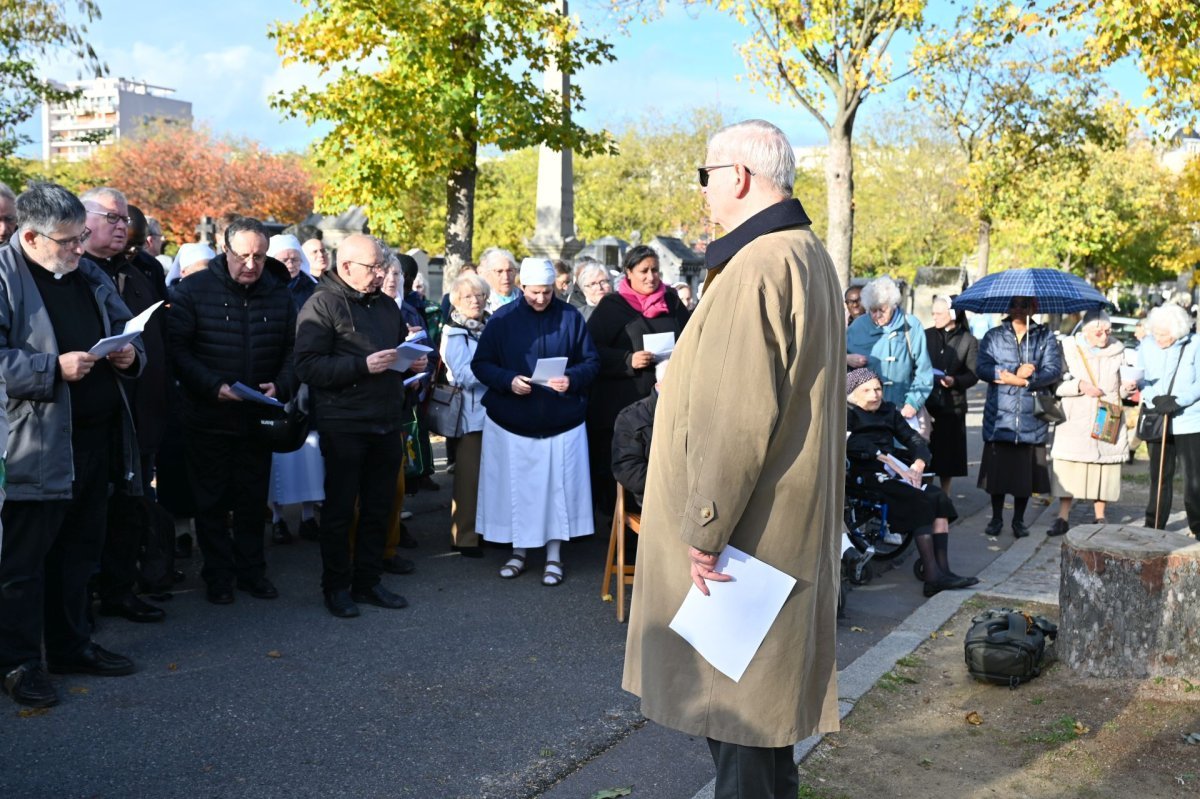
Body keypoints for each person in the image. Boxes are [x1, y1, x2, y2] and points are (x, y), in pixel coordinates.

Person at [624, 119, 843, 799]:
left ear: (740, 177)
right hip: (776, 524)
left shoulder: (757, 265)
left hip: (745, 537)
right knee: (763, 724)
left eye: (706, 176)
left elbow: (734, 417)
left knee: (739, 716)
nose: (703, 192)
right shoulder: (806, 253)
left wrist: (705, 529)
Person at [0, 182, 144, 709]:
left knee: (79, 552)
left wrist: (131, 354)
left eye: (82, 237)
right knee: (23, 564)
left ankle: (70, 645)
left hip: (95, 436)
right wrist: (50, 368)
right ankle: (19, 663)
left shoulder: (85, 272)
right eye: (69, 241)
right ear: (31, 237)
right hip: (33, 445)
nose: (81, 249)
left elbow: (126, 327)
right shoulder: (5, 276)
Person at [167, 216, 297, 605]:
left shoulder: (278, 293)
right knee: (210, 503)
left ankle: (252, 572)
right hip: (207, 417)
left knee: (252, 502)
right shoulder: (193, 290)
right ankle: (218, 576)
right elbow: (177, 350)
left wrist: (282, 384)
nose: (251, 265)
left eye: (259, 256)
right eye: (243, 256)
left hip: (257, 418)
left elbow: (294, 350)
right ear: (225, 251)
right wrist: (212, 386)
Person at [295, 234, 417, 618]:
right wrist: (361, 366)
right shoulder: (321, 304)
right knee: (340, 510)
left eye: (382, 266)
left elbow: (398, 349)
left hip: (386, 418)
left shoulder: (385, 305)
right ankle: (336, 587)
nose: (381, 274)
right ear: (346, 267)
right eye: (373, 267)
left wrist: (412, 360)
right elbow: (307, 366)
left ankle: (368, 580)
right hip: (344, 422)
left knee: (379, 507)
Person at [471, 257, 600, 586]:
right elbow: (481, 364)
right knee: (517, 490)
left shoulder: (570, 316)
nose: (541, 298)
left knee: (557, 491)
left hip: (561, 419)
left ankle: (554, 555)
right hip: (513, 419)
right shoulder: (502, 319)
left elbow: (591, 361)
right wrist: (508, 380)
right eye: (534, 293)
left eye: (547, 292)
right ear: (522, 287)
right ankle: (518, 552)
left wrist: (571, 378)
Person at [80, 187, 169, 624]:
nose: (123, 226)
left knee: (131, 504)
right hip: (90, 411)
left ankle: (120, 589)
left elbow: (159, 338)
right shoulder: (71, 272)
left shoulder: (140, 271)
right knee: (87, 511)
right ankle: (81, 600)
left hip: (140, 407)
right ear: (83, 220)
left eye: (124, 219)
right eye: (112, 218)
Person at [845, 368, 977, 596]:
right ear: (853, 395)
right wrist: (882, 456)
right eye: (867, 391)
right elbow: (849, 443)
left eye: (878, 389)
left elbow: (912, 438)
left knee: (938, 497)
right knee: (918, 500)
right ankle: (933, 576)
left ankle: (943, 570)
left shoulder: (888, 411)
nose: (875, 394)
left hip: (896, 469)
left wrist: (919, 461)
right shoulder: (848, 413)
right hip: (866, 473)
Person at [586, 244, 690, 524]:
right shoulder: (612, 307)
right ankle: (621, 531)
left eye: (655, 270)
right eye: (644, 271)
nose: (651, 277)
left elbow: (692, 337)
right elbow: (590, 349)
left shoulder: (672, 302)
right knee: (628, 473)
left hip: (665, 400)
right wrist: (627, 360)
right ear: (628, 272)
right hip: (623, 404)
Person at [975, 296, 1063, 538]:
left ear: (1033, 308)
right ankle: (996, 518)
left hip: (1031, 414)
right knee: (997, 474)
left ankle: (1019, 520)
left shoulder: (1045, 337)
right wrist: (1012, 373)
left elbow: (1053, 370)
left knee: (1024, 476)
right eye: (1013, 304)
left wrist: (1028, 379)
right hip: (1000, 414)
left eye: (1023, 305)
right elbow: (982, 367)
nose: (1017, 309)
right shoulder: (993, 336)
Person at [1047, 310, 1136, 536]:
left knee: (1104, 467)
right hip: (1075, 417)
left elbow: (1119, 387)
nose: (1104, 336)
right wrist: (1079, 386)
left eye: (1107, 331)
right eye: (1098, 332)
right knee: (1070, 468)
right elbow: (1055, 385)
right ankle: (1062, 517)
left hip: (1108, 413)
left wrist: (1127, 388)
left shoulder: (1118, 351)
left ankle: (1100, 516)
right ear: (1086, 331)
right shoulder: (1068, 349)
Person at [265, 234, 322, 544]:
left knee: (310, 454)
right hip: (276, 378)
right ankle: (277, 518)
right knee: (278, 454)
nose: (291, 263)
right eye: (284, 259)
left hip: (308, 382)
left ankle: (308, 515)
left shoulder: (314, 289)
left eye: (295, 258)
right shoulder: (268, 288)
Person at [440, 272, 492, 558]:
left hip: (495, 412)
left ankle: (486, 532)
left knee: (490, 477)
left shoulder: (488, 326)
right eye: (468, 296)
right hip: (471, 415)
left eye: (479, 295)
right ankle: (464, 538)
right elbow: (462, 375)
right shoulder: (454, 332)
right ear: (456, 301)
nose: (475, 301)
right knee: (468, 479)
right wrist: (497, 371)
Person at [1137, 303, 1200, 533]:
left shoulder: (1195, 344)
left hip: (1189, 421)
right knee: (1159, 477)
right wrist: (1154, 398)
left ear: (1178, 331)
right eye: (1155, 333)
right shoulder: (1147, 345)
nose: (1158, 339)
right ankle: (1153, 525)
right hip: (1158, 419)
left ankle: (1198, 526)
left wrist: (1178, 401)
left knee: (1194, 480)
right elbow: (1141, 378)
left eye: (1163, 335)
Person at [847, 276, 934, 432]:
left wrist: (913, 403)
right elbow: (835, 362)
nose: (877, 315)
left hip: (901, 411)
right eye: (872, 310)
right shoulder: (857, 327)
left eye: (882, 310)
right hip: (865, 414)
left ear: (893, 305)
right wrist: (846, 359)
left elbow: (924, 371)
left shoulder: (911, 326)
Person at [923, 296, 979, 495]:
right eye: (933, 313)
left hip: (952, 406)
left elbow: (973, 374)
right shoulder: (926, 335)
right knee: (925, 453)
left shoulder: (968, 340)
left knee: (947, 457)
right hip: (927, 403)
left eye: (939, 313)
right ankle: (926, 493)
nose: (935, 317)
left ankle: (945, 496)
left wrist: (954, 381)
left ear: (953, 314)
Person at [611, 360, 668, 508]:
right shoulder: (631, 417)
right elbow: (628, 470)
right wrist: (671, 483)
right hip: (656, 498)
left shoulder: (697, 412)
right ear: (659, 385)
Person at [477, 246, 521, 312]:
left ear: (515, 272)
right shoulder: (482, 303)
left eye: (509, 270)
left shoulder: (527, 299)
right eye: (499, 271)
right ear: (489, 274)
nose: (506, 277)